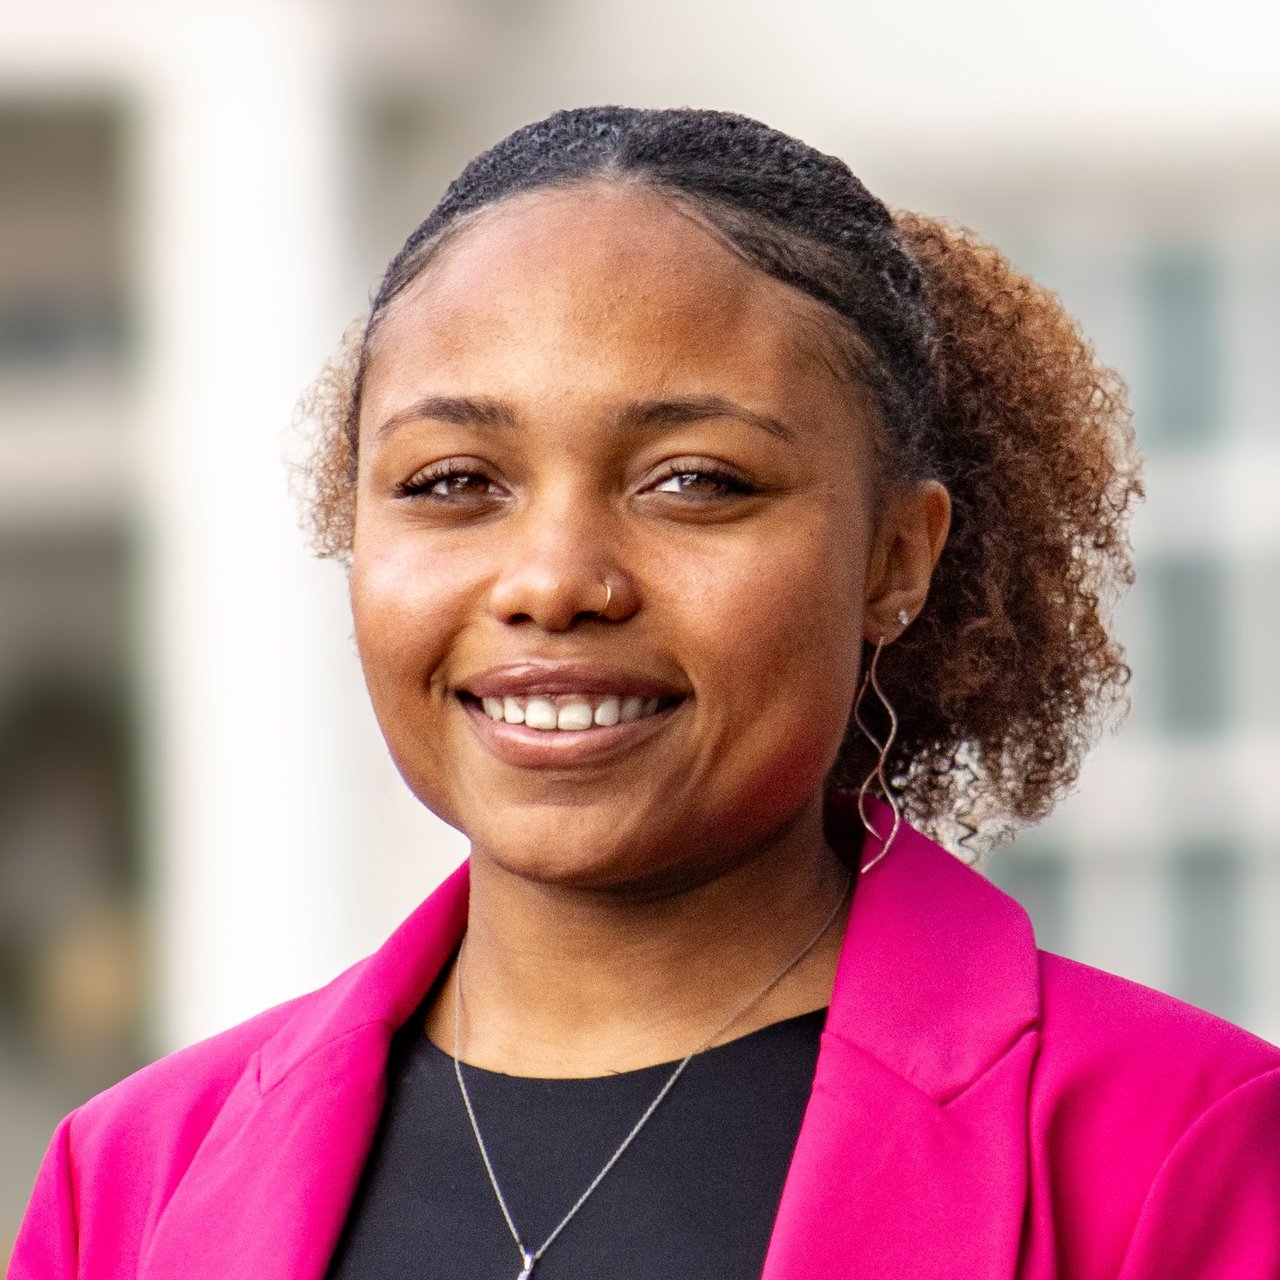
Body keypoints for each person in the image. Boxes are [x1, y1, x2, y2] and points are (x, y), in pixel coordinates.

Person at [11, 106, 1280, 1279]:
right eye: (453, 481)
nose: (554, 581)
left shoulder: (1175, 1148)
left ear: (895, 559)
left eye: (693, 480)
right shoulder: (128, 1183)